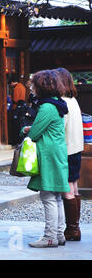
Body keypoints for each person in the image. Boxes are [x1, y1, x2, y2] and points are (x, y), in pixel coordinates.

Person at [21, 70, 70, 248]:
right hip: (57, 152)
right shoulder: (57, 103)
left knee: (48, 195)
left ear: (42, 86)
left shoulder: (47, 106)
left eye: (34, 84)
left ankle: (50, 237)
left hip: (48, 154)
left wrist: (26, 130)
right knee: (56, 196)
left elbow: (35, 132)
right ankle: (58, 234)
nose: (32, 88)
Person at [54, 68, 84, 241]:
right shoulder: (74, 101)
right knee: (74, 185)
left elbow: (60, 129)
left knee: (67, 189)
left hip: (66, 149)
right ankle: (75, 227)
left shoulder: (62, 102)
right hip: (76, 147)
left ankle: (72, 229)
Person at [8, 74, 27, 145]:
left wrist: (10, 98)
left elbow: (15, 99)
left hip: (16, 108)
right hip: (22, 108)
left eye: (11, 84)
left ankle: (15, 142)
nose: (11, 85)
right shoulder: (22, 87)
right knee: (20, 125)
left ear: (13, 82)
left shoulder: (16, 88)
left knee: (15, 126)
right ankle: (20, 141)